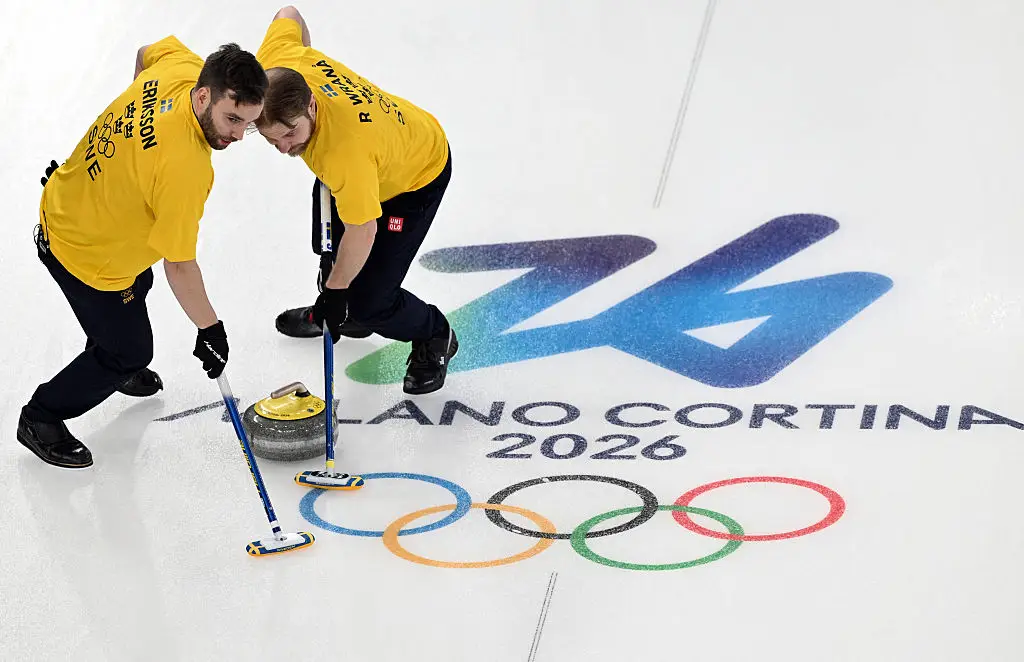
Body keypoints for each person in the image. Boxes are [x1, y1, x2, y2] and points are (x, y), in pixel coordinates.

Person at [19, 38, 268, 469]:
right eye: (231, 119)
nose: (235, 136)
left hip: (70, 199)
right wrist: (210, 329)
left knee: (142, 278)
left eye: (247, 124)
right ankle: (42, 416)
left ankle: (107, 363)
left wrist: (137, 146)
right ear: (204, 94)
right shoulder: (185, 168)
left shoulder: (181, 68)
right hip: (83, 253)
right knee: (129, 351)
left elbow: (146, 50)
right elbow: (179, 263)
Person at [253, 5, 458, 396]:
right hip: (368, 160)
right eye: (271, 139)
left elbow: (364, 230)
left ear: (311, 104)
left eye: (290, 134)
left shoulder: (344, 153)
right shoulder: (278, 65)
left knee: (371, 301)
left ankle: (434, 333)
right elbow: (289, 13)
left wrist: (335, 294)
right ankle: (345, 318)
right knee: (328, 247)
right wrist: (336, 290)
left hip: (414, 179)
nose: (283, 149)